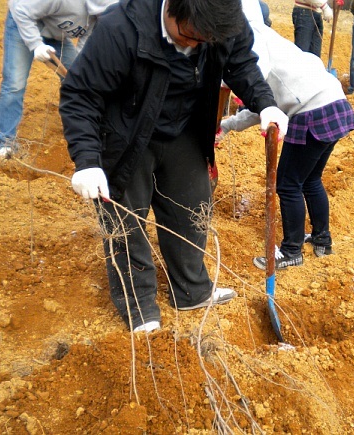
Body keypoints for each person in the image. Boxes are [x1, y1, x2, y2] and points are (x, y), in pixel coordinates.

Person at [59, 0, 289, 333]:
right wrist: (87, 161)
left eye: (204, 41)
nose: (194, 45)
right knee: (125, 222)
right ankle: (140, 309)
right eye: (189, 35)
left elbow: (240, 64)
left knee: (192, 210)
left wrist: (265, 104)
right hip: (124, 133)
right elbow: (80, 95)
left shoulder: (222, 18)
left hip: (184, 127)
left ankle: (192, 291)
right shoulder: (120, 29)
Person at [218, 0, 354, 270]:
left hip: (311, 109)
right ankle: (322, 240)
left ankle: (291, 250)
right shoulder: (270, 37)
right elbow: (265, 105)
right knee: (310, 179)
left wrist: (227, 119)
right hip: (334, 101)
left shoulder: (251, 43)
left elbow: (260, 101)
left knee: (288, 183)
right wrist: (228, 126)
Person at [0, 0, 117, 158]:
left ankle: (83, 126)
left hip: (56, 35)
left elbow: (84, 48)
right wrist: (36, 44)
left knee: (77, 80)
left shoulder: (99, 17)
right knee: (15, 83)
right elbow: (20, 9)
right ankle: (5, 140)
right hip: (23, 24)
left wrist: (79, 71)